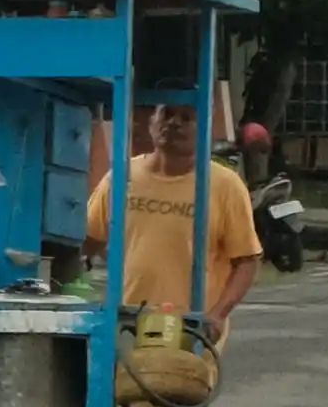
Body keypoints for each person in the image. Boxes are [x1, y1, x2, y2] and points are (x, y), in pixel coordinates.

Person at [87, 98, 264, 335]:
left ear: (205, 128)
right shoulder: (121, 176)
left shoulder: (225, 185)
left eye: (186, 118)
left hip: (190, 327)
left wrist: (217, 315)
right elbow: (91, 238)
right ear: (151, 123)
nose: (174, 123)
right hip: (128, 322)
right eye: (167, 114)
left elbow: (246, 261)